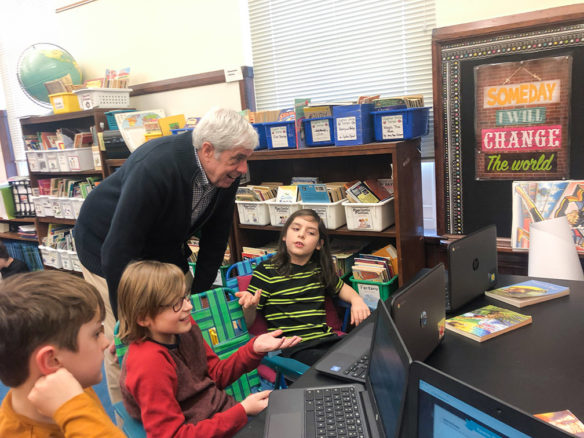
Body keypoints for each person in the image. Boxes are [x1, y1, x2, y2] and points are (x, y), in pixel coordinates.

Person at [73, 107, 258, 404]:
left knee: (182, 324)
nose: (243, 168)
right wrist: (128, 322)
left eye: (246, 158)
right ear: (208, 150)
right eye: (238, 158)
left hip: (162, 245)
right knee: (124, 342)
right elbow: (118, 249)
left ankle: (181, 404)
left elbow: (216, 236)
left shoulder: (227, 172)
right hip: (106, 245)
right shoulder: (156, 165)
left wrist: (197, 296)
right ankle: (131, 418)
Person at [117, 260, 301, 437]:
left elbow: (215, 376)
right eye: (176, 303)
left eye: (185, 297)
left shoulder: (185, 328)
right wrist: (242, 410)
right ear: (143, 317)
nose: (189, 306)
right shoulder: (148, 363)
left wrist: (254, 348)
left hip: (227, 419)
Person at [236, 209, 371, 365]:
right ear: (285, 236)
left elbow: (341, 288)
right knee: (341, 365)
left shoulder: (319, 269)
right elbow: (247, 323)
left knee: (370, 352)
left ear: (319, 244)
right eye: (296, 229)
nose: (301, 235)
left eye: (311, 233)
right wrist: (249, 308)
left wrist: (356, 299)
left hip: (325, 340)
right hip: (293, 348)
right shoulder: (266, 271)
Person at [0, 270, 124, 437]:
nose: (106, 342)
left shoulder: (71, 385)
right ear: (52, 361)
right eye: (96, 334)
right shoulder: (71, 401)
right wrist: (74, 407)